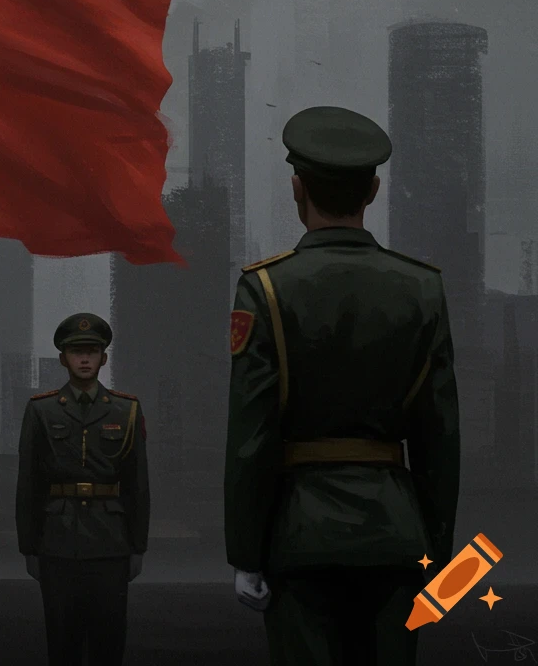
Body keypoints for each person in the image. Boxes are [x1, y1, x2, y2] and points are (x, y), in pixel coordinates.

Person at [223, 105, 459, 666]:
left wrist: (246, 555)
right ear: (373, 189)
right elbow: (439, 440)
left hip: (299, 539)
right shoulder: (422, 290)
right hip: (396, 539)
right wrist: (439, 562)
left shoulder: (266, 290)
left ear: (296, 189)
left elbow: (251, 438)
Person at [15, 312, 149, 666]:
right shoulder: (41, 410)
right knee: (62, 639)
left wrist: (138, 545)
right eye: (77, 352)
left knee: (109, 639)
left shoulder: (126, 409)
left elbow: (137, 484)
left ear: (104, 357)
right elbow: (29, 483)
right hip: (58, 538)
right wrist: (29, 545)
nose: (85, 358)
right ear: (63, 359)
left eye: (92, 351)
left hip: (110, 540)